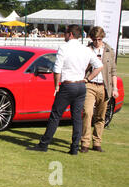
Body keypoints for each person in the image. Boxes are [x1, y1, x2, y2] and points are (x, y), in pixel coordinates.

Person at [27, 24, 103, 155]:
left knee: (55, 115)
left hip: (68, 85)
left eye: (66, 33)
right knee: (77, 118)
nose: (64, 35)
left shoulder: (64, 48)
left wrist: (56, 85)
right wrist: (87, 78)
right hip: (80, 85)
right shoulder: (86, 50)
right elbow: (99, 66)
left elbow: (57, 69)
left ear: (71, 34)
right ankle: (74, 148)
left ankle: (44, 144)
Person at [80, 26, 119, 153]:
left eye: (99, 39)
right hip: (89, 85)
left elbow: (113, 71)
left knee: (101, 116)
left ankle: (97, 142)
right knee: (87, 113)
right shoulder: (86, 50)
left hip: (104, 86)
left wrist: (115, 88)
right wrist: (91, 63)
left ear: (103, 38)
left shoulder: (109, 51)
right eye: (95, 39)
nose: (97, 42)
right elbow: (82, 69)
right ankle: (85, 142)